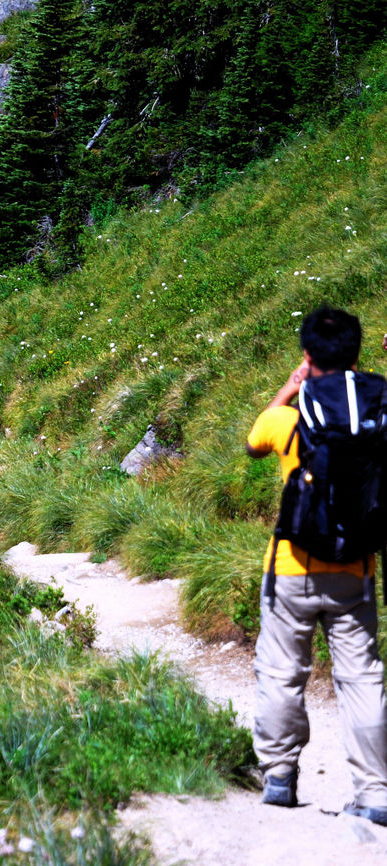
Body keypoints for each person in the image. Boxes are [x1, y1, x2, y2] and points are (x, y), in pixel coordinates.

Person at [246, 305, 387, 824]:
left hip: (292, 566)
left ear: (308, 356)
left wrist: (289, 385)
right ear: (355, 355)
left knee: (283, 672)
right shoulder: (375, 417)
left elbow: (253, 441)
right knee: (362, 678)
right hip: (356, 569)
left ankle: (279, 778)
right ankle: (375, 793)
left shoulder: (293, 416)